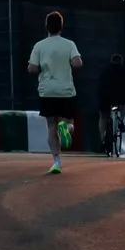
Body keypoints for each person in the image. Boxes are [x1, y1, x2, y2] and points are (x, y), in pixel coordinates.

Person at [27, 11, 83, 174]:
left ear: (46, 27)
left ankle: (56, 161)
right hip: (65, 90)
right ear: (61, 26)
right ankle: (67, 127)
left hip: (47, 90)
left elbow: (32, 68)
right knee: (69, 120)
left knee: (51, 125)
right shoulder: (69, 44)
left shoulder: (39, 45)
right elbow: (78, 62)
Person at [95, 51, 125, 158]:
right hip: (119, 98)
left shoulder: (104, 70)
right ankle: (120, 120)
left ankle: (102, 138)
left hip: (104, 97)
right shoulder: (124, 70)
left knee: (103, 116)